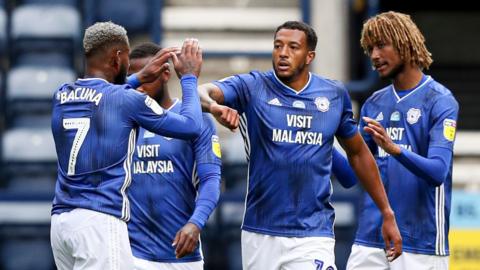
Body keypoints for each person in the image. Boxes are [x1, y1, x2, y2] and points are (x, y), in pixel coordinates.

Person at [199, 20, 402, 270]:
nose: (283, 53)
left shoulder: (333, 94)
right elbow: (202, 92)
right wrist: (214, 106)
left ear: (309, 56)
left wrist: (387, 212)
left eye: (293, 47)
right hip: (261, 231)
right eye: (278, 46)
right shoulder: (252, 86)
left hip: (313, 233)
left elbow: (357, 153)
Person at [50, 22, 204, 270]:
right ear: (117, 57)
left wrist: (137, 78)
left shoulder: (61, 95)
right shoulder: (127, 100)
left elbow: (104, 97)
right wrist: (188, 78)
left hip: (61, 225)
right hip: (99, 222)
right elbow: (191, 126)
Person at [343, 11, 459, 270]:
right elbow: (352, 174)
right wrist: (321, 142)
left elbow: (438, 172)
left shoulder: (440, 100)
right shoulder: (374, 103)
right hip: (371, 237)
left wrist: (394, 149)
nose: (374, 56)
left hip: (421, 240)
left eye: (381, 45)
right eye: (369, 48)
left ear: (405, 43)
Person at [126, 42, 222, 270]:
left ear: (165, 74)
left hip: (180, 255)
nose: (138, 87)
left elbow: (210, 180)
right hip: (131, 254)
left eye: (145, 78)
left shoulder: (196, 120)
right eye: (134, 79)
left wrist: (195, 224)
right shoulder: (124, 121)